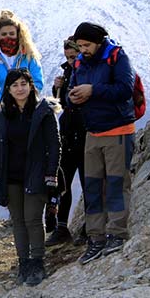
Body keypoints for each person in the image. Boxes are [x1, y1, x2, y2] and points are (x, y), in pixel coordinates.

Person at [67, 22, 137, 265]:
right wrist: (73, 97)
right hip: (92, 132)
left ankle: (117, 233)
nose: (83, 49)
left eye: (86, 45)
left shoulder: (117, 57)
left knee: (117, 184)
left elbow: (125, 89)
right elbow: (71, 89)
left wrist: (92, 90)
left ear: (98, 42)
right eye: (80, 46)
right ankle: (95, 237)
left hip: (118, 130)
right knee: (93, 187)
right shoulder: (79, 63)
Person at [0, 68, 62, 286]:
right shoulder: (1, 115)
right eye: (15, 85)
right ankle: (24, 263)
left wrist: (51, 174)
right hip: (10, 176)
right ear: (8, 90)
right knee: (18, 221)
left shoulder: (43, 111)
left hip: (36, 174)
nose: (20, 89)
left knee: (32, 218)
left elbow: (54, 144)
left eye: (24, 84)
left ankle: (37, 262)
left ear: (31, 86)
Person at [47, 38, 86, 247]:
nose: (71, 61)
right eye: (68, 58)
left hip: (84, 133)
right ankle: (62, 226)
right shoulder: (68, 73)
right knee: (63, 183)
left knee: (88, 182)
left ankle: (89, 227)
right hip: (68, 134)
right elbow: (61, 104)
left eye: (74, 57)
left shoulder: (87, 72)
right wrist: (56, 90)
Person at [0, 10, 44, 100]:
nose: (8, 37)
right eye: (4, 34)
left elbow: (37, 81)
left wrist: (24, 99)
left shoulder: (28, 56)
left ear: (18, 35)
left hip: (27, 106)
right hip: (1, 108)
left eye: (11, 34)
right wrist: (4, 101)